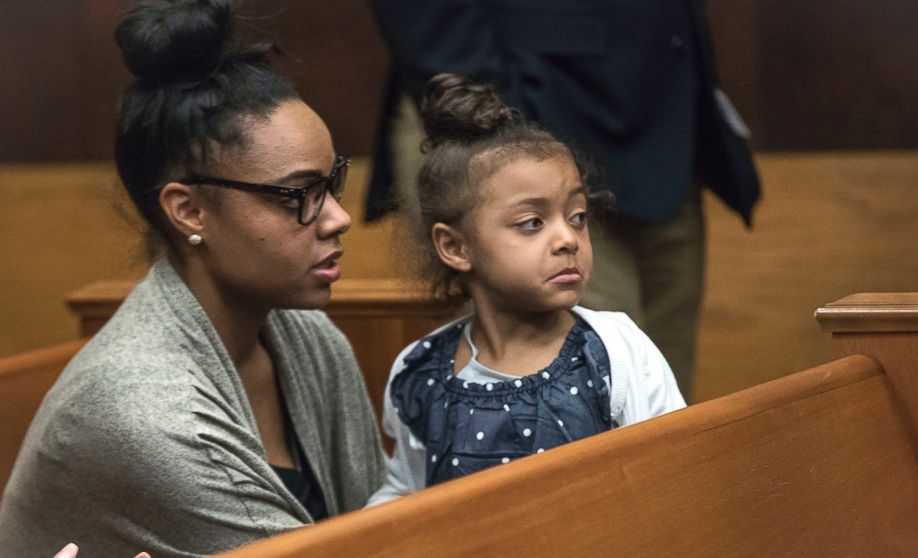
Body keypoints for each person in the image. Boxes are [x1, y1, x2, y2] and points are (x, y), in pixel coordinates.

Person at [0, 0, 386, 555]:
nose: (338, 217)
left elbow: (379, 530)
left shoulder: (310, 338)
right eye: (299, 194)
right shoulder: (145, 413)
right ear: (189, 211)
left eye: (333, 183)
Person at [365, 0, 762, 401]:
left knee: (654, 393)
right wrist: (499, 124)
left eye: (577, 220)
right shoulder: (413, 378)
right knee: (568, 389)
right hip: (526, 103)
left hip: (664, 111)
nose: (569, 238)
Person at [367, 74, 685, 504]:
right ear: (455, 246)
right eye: (532, 223)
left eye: (577, 216)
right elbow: (405, 491)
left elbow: (674, 474)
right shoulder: (419, 372)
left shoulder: (615, 351)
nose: (568, 239)